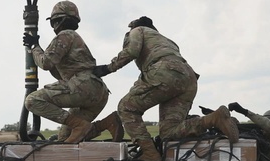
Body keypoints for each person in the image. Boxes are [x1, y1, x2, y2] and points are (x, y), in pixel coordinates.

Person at [93, 16, 239, 161]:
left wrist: (108, 68)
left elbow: (132, 51)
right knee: (169, 132)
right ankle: (213, 119)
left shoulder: (138, 30)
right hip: (188, 78)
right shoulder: (166, 41)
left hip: (165, 72)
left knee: (126, 107)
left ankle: (150, 155)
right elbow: (151, 74)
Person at [23, 0, 123, 143]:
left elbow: (46, 63)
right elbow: (56, 67)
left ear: (58, 21)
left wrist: (34, 46)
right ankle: (106, 123)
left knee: (32, 100)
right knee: (65, 138)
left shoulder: (65, 35)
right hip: (98, 91)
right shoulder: (74, 38)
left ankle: (79, 125)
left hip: (82, 87)